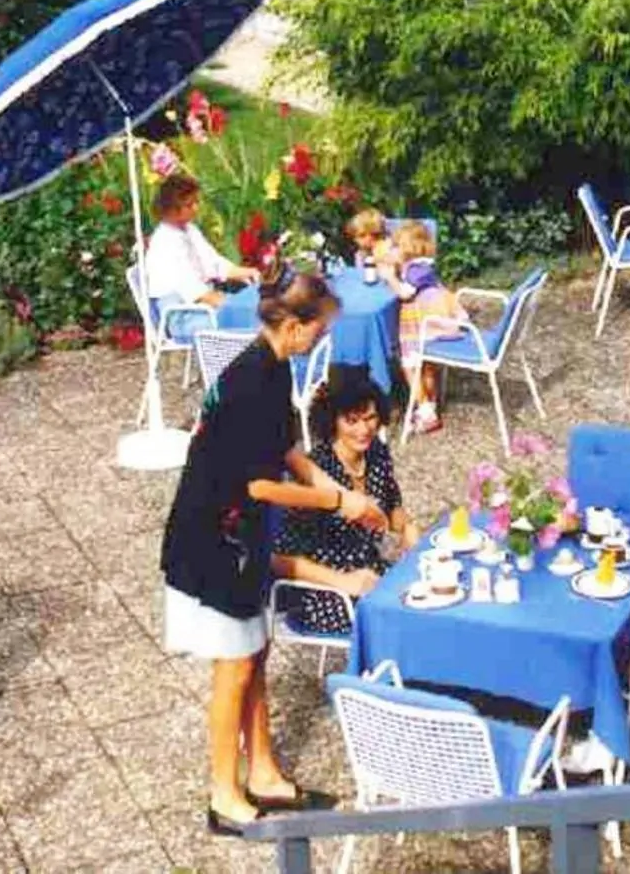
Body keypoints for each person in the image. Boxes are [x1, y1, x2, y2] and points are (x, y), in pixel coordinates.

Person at [160, 267, 376, 835]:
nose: (324, 339)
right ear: (296, 325)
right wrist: (331, 504)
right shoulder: (250, 381)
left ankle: (264, 773)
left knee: (255, 656)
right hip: (214, 541)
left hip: (243, 536)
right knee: (233, 669)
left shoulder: (273, 366)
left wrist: (336, 488)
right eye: (321, 328)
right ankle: (223, 796)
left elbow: (284, 447)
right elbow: (258, 485)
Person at [272, 367, 417, 634]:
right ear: (333, 421)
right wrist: (344, 581)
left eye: (370, 418)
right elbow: (279, 559)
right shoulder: (317, 472)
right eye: (352, 421)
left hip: (375, 567)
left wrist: (407, 530)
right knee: (402, 615)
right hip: (327, 588)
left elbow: (392, 502)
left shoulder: (377, 452)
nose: (364, 430)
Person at [382, 220, 463, 436]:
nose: (394, 250)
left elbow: (405, 293)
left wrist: (390, 277)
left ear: (408, 248)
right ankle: (429, 404)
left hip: (423, 320)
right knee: (425, 364)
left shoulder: (417, 270)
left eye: (397, 246)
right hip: (428, 316)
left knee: (410, 365)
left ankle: (426, 411)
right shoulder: (420, 265)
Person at [145, 171, 261, 319]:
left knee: (256, 306)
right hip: (183, 314)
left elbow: (213, 262)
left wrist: (247, 272)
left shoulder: (189, 229)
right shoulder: (165, 243)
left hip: (202, 303)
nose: (196, 208)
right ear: (172, 209)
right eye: (189, 204)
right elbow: (193, 290)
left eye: (196, 202)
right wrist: (234, 306)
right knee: (251, 317)